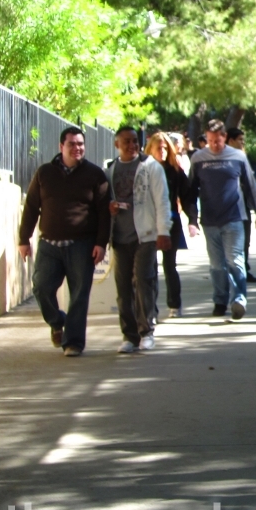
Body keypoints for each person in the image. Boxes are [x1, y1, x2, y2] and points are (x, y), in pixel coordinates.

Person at [18, 127, 110, 357]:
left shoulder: (95, 175)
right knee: (41, 287)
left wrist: (101, 243)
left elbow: (103, 213)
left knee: (79, 294)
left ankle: (74, 343)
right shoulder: (44, 173)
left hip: (82, 244)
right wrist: (23, 239)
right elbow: (31, 207)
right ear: (61, 147)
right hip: (49, 245)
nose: (77, 148)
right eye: (72, 144)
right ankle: (57, 321)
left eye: (80, 144)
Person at [186, 119, 256, 320]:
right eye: (210, 140)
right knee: (216, 264)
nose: (214, 144)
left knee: (235, 261)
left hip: (234, 217)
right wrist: (193, 219)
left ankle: (239, 299)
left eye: (218, 140)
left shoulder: (237, 157)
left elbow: (249, 185)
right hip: (210, 219)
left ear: (224, 138)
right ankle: (220, 300)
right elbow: (190, 191)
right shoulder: (198, 158)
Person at [106, 127, 171, 353]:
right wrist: (110, 208)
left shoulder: (150, 167)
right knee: (123, 288)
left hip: (145, 235)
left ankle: (147, 331)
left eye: (135, 141)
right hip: (120, 237)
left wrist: (164, 231)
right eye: (126, 141)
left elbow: (162, 200)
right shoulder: (110, 170)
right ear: (117, 145)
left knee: (144, 281)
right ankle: (129, 335)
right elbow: (105, 200)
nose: (132, 145)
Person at [146, 132, 194, 318]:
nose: (162, 151)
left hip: (171, 222)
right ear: (150, 149)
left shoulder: (175, 171)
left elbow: (187, 196)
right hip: (148, 223)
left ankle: (175, 304)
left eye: (166, 147)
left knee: (169, 265)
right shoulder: (144, 169)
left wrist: (192, 220)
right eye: (158, 147)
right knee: (149, 267)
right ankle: (151, 309)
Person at [226, 127, 256, 283]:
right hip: (227, 207)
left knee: (245, 240)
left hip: (243, 206)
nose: (242, 143)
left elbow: (251, 184)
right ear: (231, 140)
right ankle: (228, 272)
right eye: (239, 139)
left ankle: (244, 269)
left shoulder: (243, 157)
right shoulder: (223, 158)